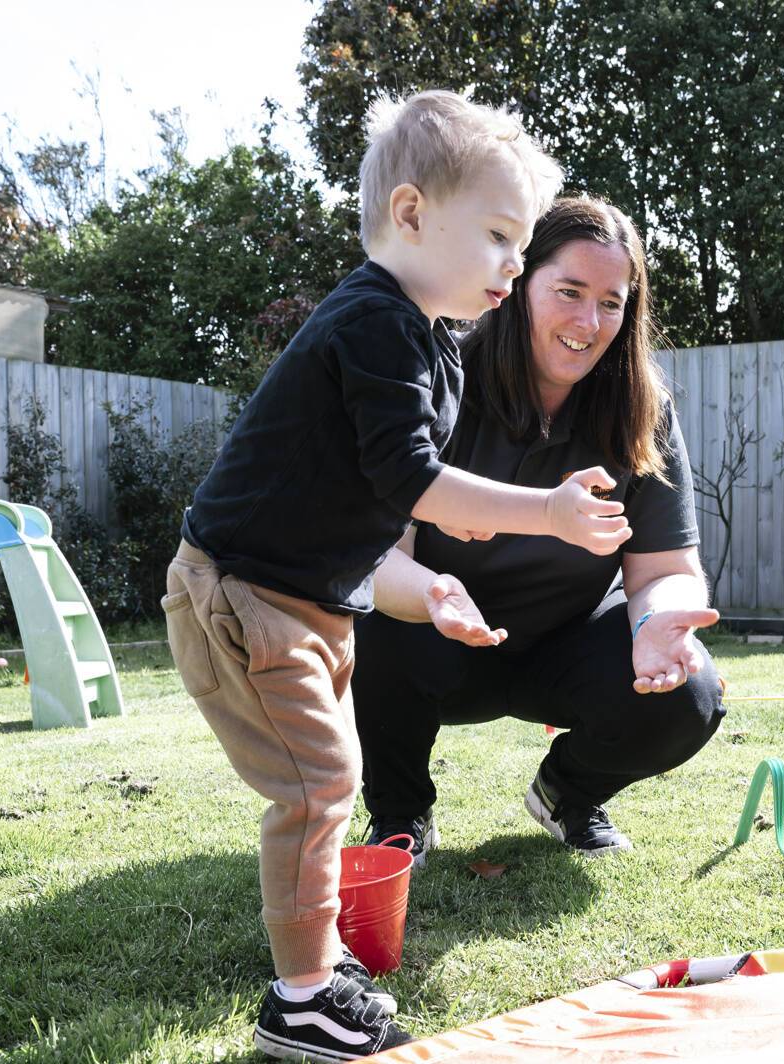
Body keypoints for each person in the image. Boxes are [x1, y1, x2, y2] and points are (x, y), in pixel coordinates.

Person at [163, 93, 632, 1063]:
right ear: (412, 215)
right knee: (321, 783)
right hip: (243, 592)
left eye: (522, 239)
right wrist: (544, 509)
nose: (515, 259)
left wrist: (435, 589)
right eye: (500, 235)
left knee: (325, 784)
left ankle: (317, 962)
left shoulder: (432, 343)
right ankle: (299, 1002)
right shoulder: (375, 321)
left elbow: (383, 510)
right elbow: (415, 481)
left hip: (312, 598)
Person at [355, 195, 726, 866]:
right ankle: (399, 812)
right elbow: (381, 558)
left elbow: (664, 570)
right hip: (440, 643)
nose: (588, 322)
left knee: (692, 691)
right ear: (521, 284)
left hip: (567, 645)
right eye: (569, 292)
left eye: (611, 303)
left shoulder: (643, 409)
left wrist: (656, 626)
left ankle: (568, 794)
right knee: (373, 623)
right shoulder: (442, 378)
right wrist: (434, 595)